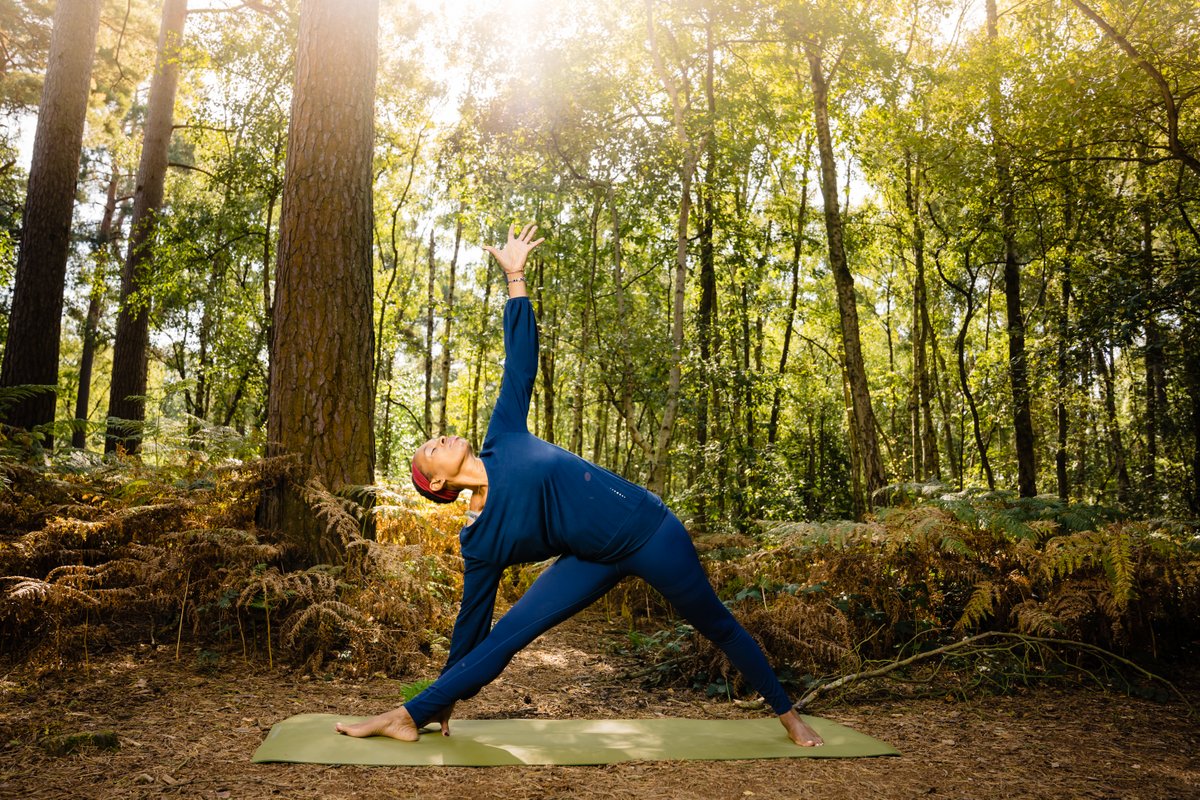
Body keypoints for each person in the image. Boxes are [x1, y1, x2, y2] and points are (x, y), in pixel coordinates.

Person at [336, 223, 823, 747]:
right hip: (591, 561)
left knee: (716, 624)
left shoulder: (502, 435)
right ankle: (409, 714)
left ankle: (789, 715)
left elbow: (520, 364)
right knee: (506, 637)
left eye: (438, 436)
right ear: (437, 482)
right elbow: (471, 625)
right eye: (433, 447)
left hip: (649, 531)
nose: (443, 437)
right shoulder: (480, 539)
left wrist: (515, 277)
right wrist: (446, 695)